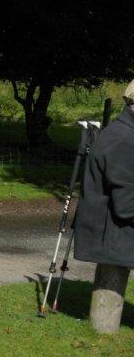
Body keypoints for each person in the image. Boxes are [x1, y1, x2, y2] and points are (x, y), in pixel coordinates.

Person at [74, 80, 134, 270]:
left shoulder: (124, 132)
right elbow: (127, 205)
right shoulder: (124, 139)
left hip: (115, 239)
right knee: (109, 288)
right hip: (114, 241)